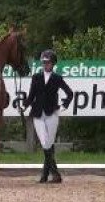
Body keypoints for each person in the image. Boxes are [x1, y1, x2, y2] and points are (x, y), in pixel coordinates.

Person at [23, 49, 73, 183]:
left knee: (49, 143)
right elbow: (31, 95)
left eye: (48, 62)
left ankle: (47, 175)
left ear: (53, 63)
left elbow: (70, 93)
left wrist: (63, 106)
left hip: (52, 113)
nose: (45, 65)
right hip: (38, 113)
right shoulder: (36, 77)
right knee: (45, 143)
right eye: (44, 62)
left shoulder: (57, 78)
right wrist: (24, 105)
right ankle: (53, 173)